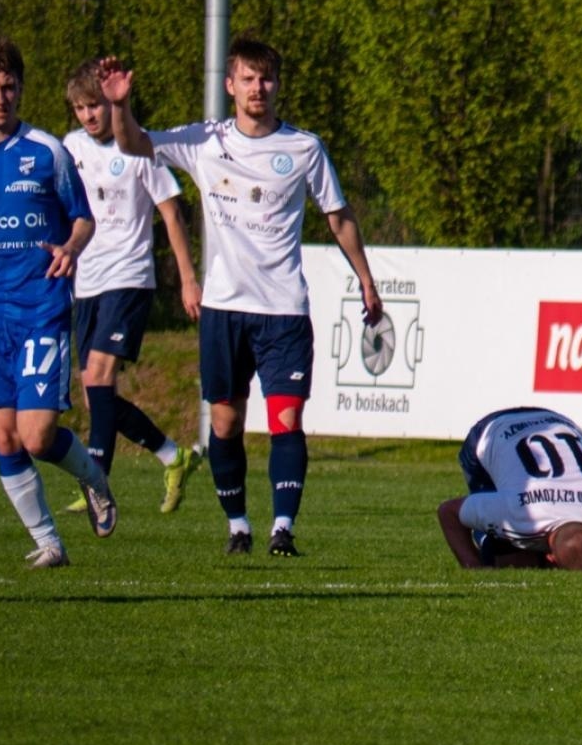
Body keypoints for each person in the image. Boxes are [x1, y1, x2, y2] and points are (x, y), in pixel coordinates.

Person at [97, 36, 382, 557]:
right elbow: (134, 144)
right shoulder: (205, 141)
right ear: (230, 86)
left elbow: (337, 217)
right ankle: (238, 525)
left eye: (266, 79)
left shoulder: (304, 148)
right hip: (224, 310)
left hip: (284, 311)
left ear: (277, 86)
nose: (258, 88)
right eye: (248, 79)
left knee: (287, 419)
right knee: (225, 423)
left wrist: (366, 278)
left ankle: (282, 528)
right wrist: (119, 105)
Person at [0, 39, 117, 567]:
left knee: (36, 436)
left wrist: (72, 247)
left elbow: (83, 217)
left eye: (8, 86)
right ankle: (48, 542)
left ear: (20, 90)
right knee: (2, 434)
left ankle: (91, 476)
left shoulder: (48, 152)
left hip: (41, 306)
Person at [59, 58, 201, 515]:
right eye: (80, 108)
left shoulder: (139, 147)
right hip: (87, 282)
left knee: (100, 377)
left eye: (95, 105)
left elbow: (172, 213)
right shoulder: (70, 147)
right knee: (96, 395)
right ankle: (171, 455)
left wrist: (187, 278)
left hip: (129, 277)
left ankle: (95, 483)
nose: (88, 116)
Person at [437, 406, 582, 571]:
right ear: (551, 558)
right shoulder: (516, 513)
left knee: (531, 557)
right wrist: (475, 568)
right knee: (514, 563)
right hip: (492, 431)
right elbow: (448, 512)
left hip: (561, 423)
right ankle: (490, 541)